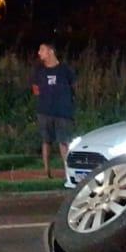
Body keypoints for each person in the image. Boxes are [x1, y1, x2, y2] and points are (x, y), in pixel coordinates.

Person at [31, 41, 77, 178]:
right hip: (44, 111)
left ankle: (68, 172)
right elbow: (35, 88)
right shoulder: (39, 70)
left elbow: (74, 86)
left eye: (42, 50)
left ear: (50, 51)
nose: (39, 53)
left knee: (64, 142)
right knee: (46, 141)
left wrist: (66, 100)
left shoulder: (65, 69)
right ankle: (47, 172)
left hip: (63, 111)